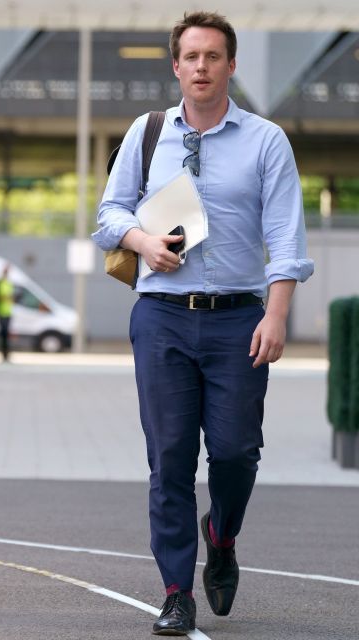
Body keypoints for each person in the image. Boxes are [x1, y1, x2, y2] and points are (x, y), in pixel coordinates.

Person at [93, 11, 314, 636]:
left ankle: (221, 535)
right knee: (169, 459)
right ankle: (174, 591)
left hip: (238, 321)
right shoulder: (146, 133)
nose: (201, 67)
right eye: (190, 56)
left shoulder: (266, 140)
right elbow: (108, 214)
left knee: (237, 454)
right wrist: (143, 240)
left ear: (230, 65)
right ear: (176, 65)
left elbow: (286, 237)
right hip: (161, 316)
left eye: (213, 56)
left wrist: (276, 315)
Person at [0, 264, 14, 361]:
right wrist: (5, 298)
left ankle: (6, 354)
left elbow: (11, 297)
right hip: (1, 311)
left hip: (8, 312)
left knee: (6, 334)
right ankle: (3, 353)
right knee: (3, 334)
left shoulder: (9, 283)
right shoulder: (0, 283)